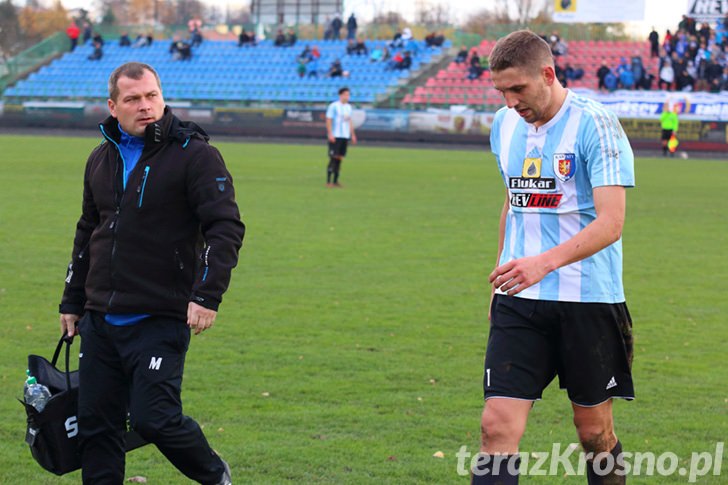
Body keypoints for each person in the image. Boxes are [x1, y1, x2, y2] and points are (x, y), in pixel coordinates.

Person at [58, 61, 243, 485]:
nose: (146, 106)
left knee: (153, 418)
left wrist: (207, 294)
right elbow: (89, 230)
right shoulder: (100, 157)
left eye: (152, 96)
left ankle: (215, 475)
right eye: (133, 99)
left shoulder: (195, 155)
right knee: (96, 427)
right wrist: (71, 301)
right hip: (101, 318)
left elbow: (225, 226)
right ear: (113, 106)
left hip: (159, 315)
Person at [474, 30, 635, 484]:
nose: (509, 102)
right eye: (500, 91)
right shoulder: (503, 127)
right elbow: (514, 202)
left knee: (593, 433)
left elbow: (611, 222)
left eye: (518, 89)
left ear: (548, 74)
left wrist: (542, 263)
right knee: (495, 427)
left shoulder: (595, 123)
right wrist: (505, 273)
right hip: (520, 300)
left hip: (589, 301)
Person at [325, 87, 357, 187]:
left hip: (344, 136)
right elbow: (329, 120)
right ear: (341, 95)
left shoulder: (349, 107)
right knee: (333, 158)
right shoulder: (333, 106)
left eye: (348, 95)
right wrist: (330, 133)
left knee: (340, 158)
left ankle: (336, 181)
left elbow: (349, 121)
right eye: (346, 94)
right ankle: (328, 181)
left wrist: (352, 134)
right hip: (336, 135)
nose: (348, 97)